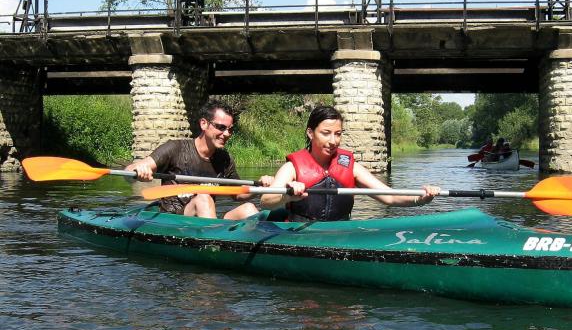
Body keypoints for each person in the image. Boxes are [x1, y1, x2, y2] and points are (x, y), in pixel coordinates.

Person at [260, 105, 440, 222]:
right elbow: (266, 201)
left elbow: (389, 197)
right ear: (310, 133)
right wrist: (287, 195)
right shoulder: (292, 168)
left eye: (338, 134)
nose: (333, 141)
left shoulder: (351, 167)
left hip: (340, 232)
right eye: (326, 133)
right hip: (299, 234)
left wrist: (420, 199)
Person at [126, 99, 268, 220]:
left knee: (248, 209)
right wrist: (138, 170)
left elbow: (238, 194)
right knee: (203, 198)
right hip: (174, 220)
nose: (226, 134)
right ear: (204, 124)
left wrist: (260, 187)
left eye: (230, 129)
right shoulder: (175, 148)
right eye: (221, 127)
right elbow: (130, 171)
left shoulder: (224, 159)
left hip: (206, 219)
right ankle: (213, 241)